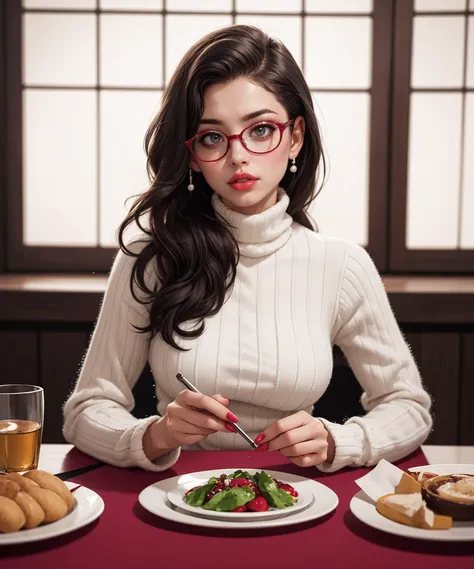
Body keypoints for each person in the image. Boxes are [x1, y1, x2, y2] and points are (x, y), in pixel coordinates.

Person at [63, 25, 432, 473]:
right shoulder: (153, 257)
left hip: (300, 495)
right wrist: (155, 434)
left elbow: (407, 405)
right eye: (212, 137)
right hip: (175, 495)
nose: (238, 155)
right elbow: (87, 410)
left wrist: (342, 441)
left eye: (260, 130)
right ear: (193, 155)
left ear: (295, 136)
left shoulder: (341, 265)